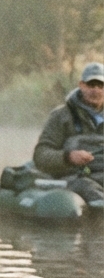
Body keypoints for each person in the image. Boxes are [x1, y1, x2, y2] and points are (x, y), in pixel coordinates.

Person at [33, 62, 104, 210]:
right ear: (82, 85)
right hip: (73, 178)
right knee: (89, 188)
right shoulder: (61, 116)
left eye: (100, 86)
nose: (96, 90)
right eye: (91, 85)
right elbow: (41, 155)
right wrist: (69, 157)